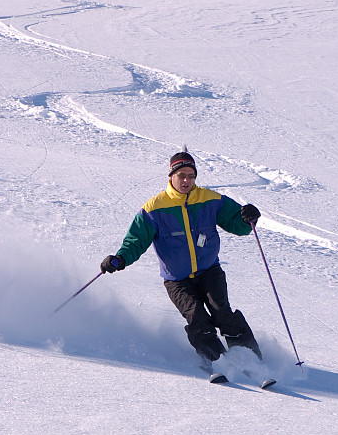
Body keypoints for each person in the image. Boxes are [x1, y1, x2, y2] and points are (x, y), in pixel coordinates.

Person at [101, 149, 262, 367]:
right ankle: (216, 360)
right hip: (177, 280)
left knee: (221, 312)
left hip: (209, 271)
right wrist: (120, 259)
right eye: (181, 176)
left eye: (191, 176)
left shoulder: (211, 200)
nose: (186, 181)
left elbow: (239, 224)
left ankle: (249, 358)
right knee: (196, 317)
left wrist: (247, 218)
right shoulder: (154, 209)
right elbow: (136, 241)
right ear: (171, 177)